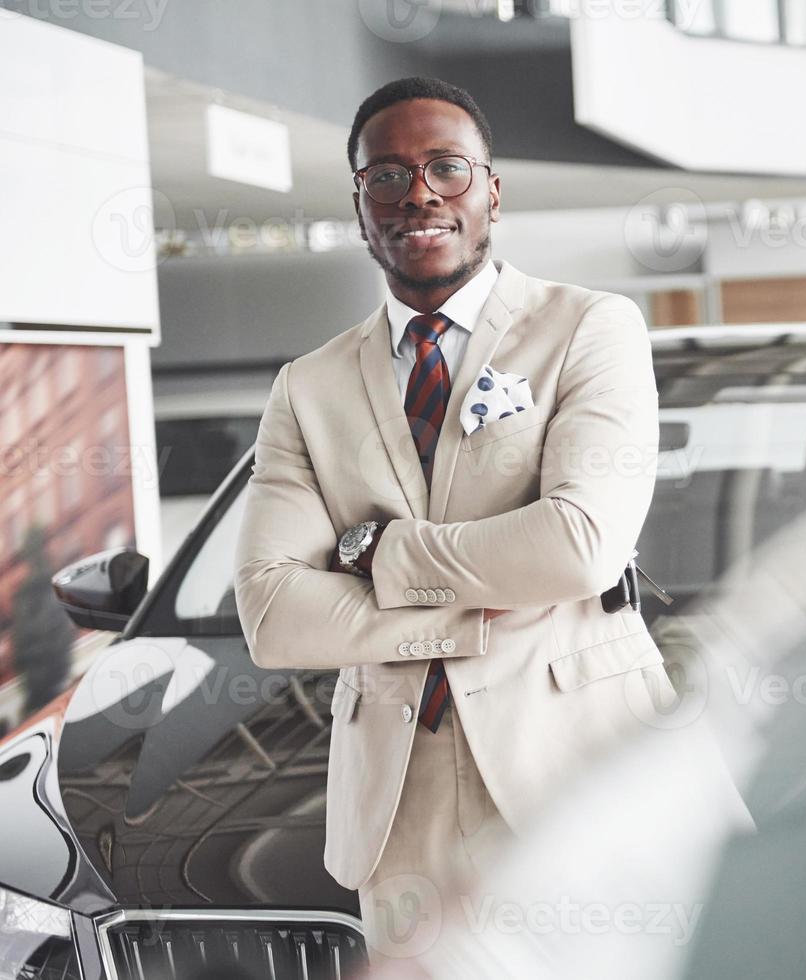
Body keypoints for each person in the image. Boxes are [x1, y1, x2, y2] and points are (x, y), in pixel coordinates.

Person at [233, 76, 741, 965]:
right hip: (399, 805)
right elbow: (273, 615)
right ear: (359, 205)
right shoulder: (306, 387)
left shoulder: (590, 328)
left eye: (446, 168)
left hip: (583, 769)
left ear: (492, 192)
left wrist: (380, 554)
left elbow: (580, 545)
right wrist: (481, 605)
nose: (418, 193)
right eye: (385, 176)